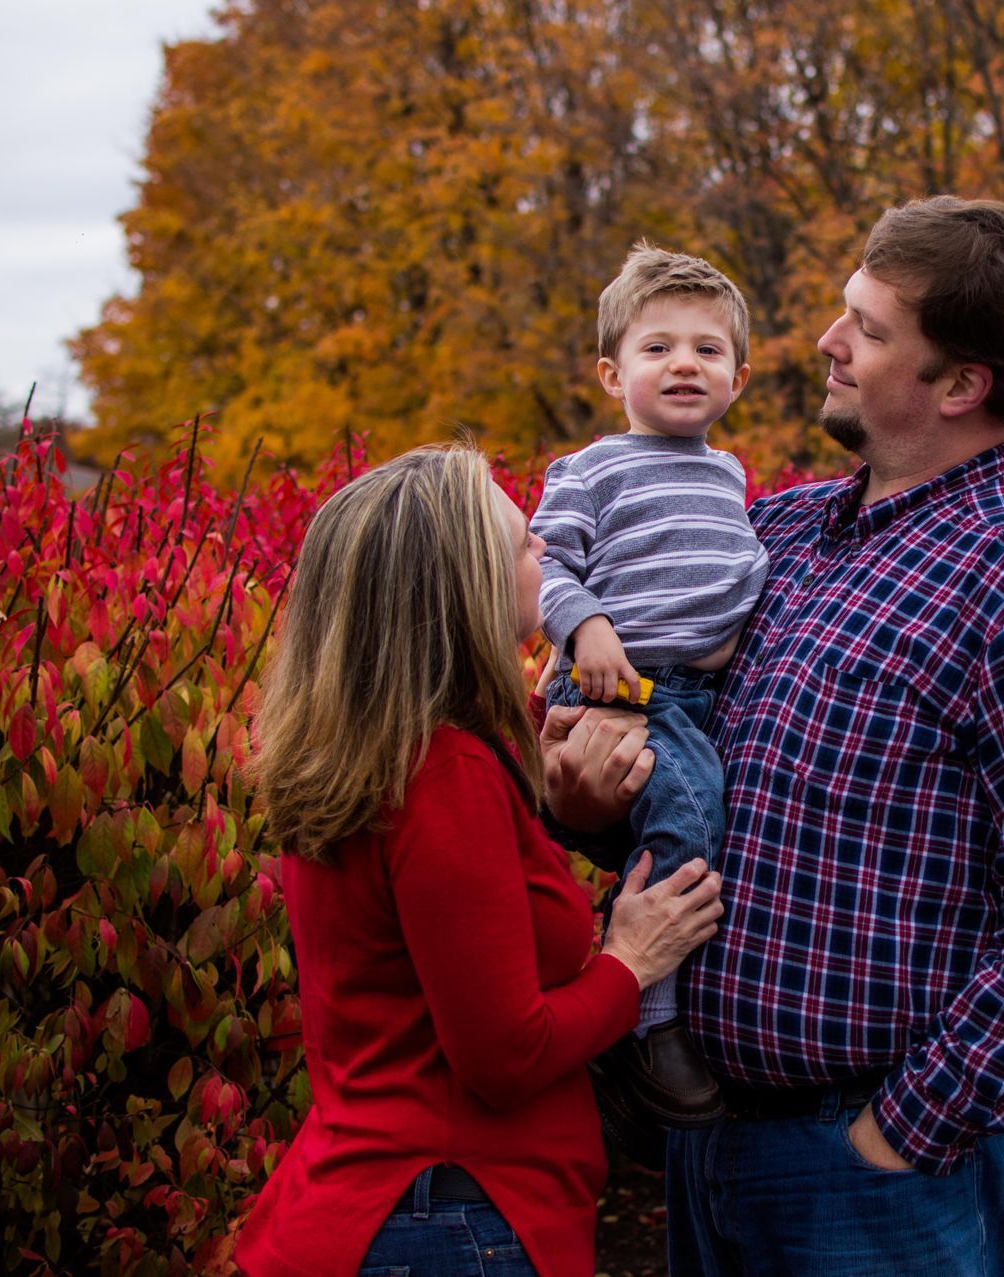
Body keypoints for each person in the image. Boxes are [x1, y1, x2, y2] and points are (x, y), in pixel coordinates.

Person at [548, 196, 1004, 1277]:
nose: (829, 342)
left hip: (881, 1170)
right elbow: (697, 796)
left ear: (962, 384)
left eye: (870, 328)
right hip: (717, 1142)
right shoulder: (772, 537)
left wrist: (908, 1127)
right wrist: (595, 806)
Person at [235, 443, 723, 1277]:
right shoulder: (441, 773)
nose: (546, 553)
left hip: (378, 1196)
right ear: (463, 587)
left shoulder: (383, 753)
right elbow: (507, 1056)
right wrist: (629, 962)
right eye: (525, 544)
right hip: (447, 1218)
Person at [531, 245, 766, 1129]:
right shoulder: (590, 469)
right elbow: (546, 570)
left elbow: (726, 577)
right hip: (623, 689)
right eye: (657, 347)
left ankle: (677, 1000)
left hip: (695, 695)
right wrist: (587, 628)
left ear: (738, 377)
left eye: (707, 351)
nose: (683, 365)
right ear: (610, 372)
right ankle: (649, 1018)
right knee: (694, 817)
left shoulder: (731, 475)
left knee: (699, 822)